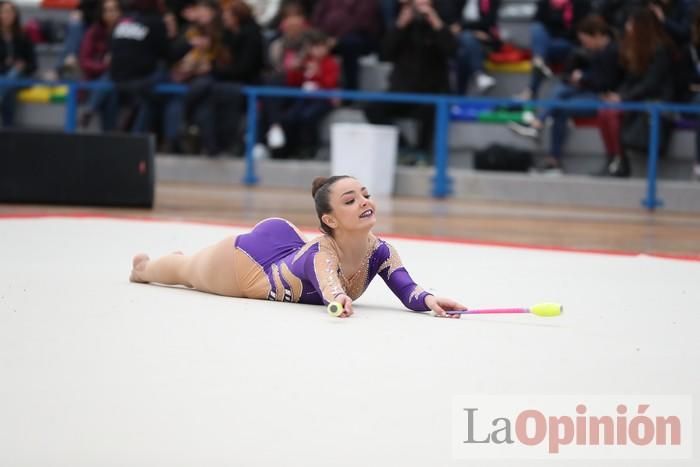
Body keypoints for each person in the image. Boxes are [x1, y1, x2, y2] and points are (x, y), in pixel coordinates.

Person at [129, 176, 465, 318]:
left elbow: (408, 289)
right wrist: (340, 302)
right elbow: (331, 291)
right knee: (188, 273)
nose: (364, 202)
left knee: (191, 267)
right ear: (330, 220)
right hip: (248, 267)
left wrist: (432, 301)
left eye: (365, 194)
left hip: (287, 249)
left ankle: (179, 261)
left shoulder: (383, 252)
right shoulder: (322, 255)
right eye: (350, 200)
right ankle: (146, 269)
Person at [509, 14, 623, 173]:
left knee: (561, 101)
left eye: (586, 41)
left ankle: (538, 125)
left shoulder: (613, 52)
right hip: (588, 91)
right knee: (561, 93)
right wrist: (578, 77)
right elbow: (567, 73)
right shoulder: (590, 52)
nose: (585, 45)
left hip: (604, 98)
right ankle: (552, 158)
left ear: (596, 35)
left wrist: (583, 78)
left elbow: (606, 82)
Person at [596, 8, 676, 177]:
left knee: (612, 113)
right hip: (637, 97)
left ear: (643, 26)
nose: (627, 27)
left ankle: (622, 162)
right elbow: (631, 80)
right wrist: (616, 95)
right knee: (604, 110)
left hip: (655, 99)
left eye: (631, 23)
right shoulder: (637, 50)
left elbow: (651, 84)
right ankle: (612, 159)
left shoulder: (662, 50)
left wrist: (623, 98)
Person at [515, 0, 591, 101]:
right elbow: (537, 20)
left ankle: (531, 89)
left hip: (568, 41)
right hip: (547, 40)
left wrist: (553, 37)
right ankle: (539, 60)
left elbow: (580, 29)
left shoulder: (581, 3)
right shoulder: (546, 2)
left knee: (542, 49)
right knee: (537, 29)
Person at [78, 0, 122, 130]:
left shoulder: (127, 31)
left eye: (114, 10)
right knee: (110, 89)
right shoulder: (93, 32)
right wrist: (104, 65)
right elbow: (85, 62)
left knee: (111, 82)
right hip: (95, 80)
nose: (111, 14)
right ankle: (109, 136)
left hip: (123, 80)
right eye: (107, 10)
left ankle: (90, 110)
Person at [452, 0, 501, 95]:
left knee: (463, 53)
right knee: (465, 42)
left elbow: (489, 21)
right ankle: (479, 74)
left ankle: (460, 95)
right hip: (459, 38)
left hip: (485, 40)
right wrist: (470, 32)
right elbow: (452, 20)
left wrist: (464, 28)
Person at [0, 0, 37, 127]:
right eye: (4, 12)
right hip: (2, 78)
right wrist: (6, 65)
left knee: (13, 76)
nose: (7, 15)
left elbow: (33, 64)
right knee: (8, 88)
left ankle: (7, 130)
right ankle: (8, 130)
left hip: (21, 78)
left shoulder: (24, 35)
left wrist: (23, 65)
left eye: (11, 12)